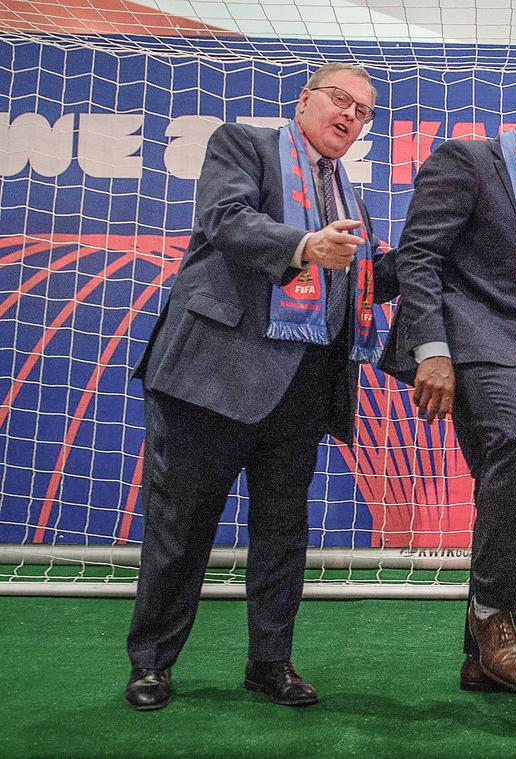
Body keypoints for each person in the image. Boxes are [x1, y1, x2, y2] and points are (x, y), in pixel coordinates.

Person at [125, 62, 398, 710]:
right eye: (341, 100)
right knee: (181, 528)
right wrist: (304, 243)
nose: (350, 116)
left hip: (300, 390)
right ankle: (152, 665)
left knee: (283, 533)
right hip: (211, 378)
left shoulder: (349, 200)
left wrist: (417, 260)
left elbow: (357, 283)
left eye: (363, 113)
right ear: (304, 101)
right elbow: (226, 220)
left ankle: (270, 662)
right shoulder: (243, 145)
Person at [380, 86, 516, 695]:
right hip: (465, 345)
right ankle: (492, 620)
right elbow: (419, 257)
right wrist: (433, 351)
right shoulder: (464, 160)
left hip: (513, 350)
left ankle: (477, 658)